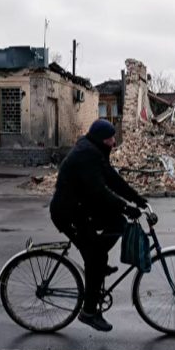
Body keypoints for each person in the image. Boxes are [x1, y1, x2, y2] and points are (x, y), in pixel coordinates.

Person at [50, 119, 147, 332]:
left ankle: (99, 263)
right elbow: (100, 192)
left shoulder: (95, 151)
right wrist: (126, 206)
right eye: (111, 138)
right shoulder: (87, 155)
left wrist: (139, 200)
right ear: (102, 139)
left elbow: (113, 180)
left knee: (117, 223)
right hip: (68, 213)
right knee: (93, 257)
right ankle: (89, 312)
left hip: (81, 208)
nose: (114, 142)